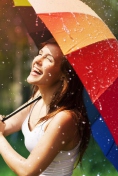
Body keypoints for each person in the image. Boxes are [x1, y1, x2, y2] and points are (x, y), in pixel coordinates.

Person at [0, 38, 90, 176]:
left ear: (63, 74)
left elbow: (27, 171)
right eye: (40, 53)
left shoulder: (65, 118)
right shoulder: (37, 99)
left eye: (48, 58)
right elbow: (5, 126)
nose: (37, 60)